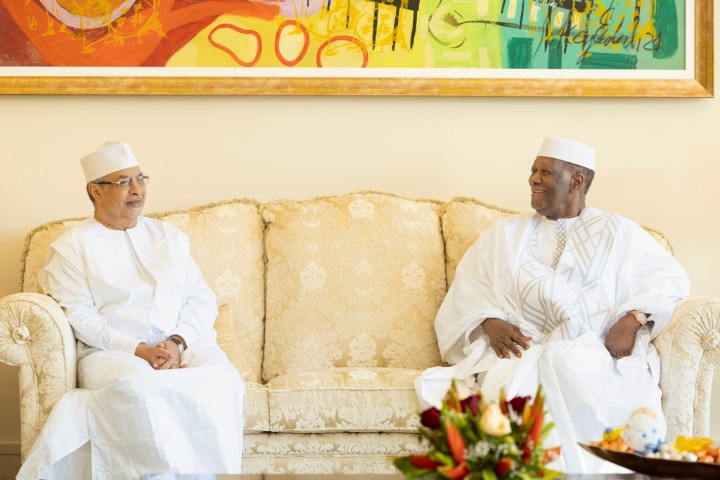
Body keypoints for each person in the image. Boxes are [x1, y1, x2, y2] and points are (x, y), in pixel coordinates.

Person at [415, 136, 690, 473]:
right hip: (520, 353)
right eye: (533, 170)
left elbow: (670, 281)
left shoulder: (619, 232)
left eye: (545, 171)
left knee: (569, 365)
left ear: (576, 181)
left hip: (594, 352)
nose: (533, 178)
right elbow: (469, 287)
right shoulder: (505, 235)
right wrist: (489, 321)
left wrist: (634, 319)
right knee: (530, 377)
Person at [17, 142, 245, 480]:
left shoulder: (169, 236)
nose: (137, 190)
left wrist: (177, 342)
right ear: (95, 191)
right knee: (140, 388)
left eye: (140, 179)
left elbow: (201, 298)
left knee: (222, 379)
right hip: (113, 353)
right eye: (123, 182)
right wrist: (140, 350)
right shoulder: (70, 248)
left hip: (183, 345)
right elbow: (81, 318)